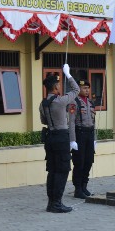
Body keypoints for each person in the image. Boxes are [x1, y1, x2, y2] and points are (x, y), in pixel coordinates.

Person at [39, 64, 80, 213]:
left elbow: (43, 121)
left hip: (50, 138)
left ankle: (51, 202)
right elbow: (76, 90)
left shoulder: (43, 104)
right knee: (62, 170)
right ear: (55, 88)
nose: (60, 88)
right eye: (58, 85)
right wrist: (68, 75)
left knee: (52, 171)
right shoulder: (61, 101)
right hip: (61, 137)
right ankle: (57, 203)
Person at [69, 79, 96, 199]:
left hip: (89, 134)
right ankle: (78, 188)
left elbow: (93, 122)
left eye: (88, 88)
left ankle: (84, 185)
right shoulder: (74, 102)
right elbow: (71, 122)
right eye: (84, 88)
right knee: (79, 162)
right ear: (78, 89)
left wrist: (94, 138)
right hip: (79, 134)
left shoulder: (90, 102)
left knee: (89, 161)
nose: (86, 90)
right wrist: (72, 140)